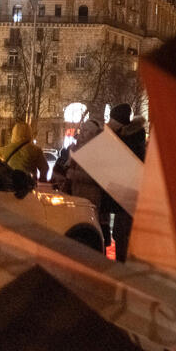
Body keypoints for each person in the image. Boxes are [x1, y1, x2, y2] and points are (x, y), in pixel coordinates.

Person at [107, 103, 146, 262]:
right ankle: (123, 262)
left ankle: (123, 264)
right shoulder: (131, 135)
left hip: (128, 190)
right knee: (121, 231)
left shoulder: (127, 137)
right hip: (128, 189)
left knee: (122, 231)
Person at [65, 118, 111, 246]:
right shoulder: (75, 148)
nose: (82, 134)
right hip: (76, 195)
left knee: (90, 230)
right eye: (82, 130)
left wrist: (74, 175)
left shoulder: (98, 152)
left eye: (87, 131)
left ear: (93, 135)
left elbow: (98, 178)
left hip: (92, 198)